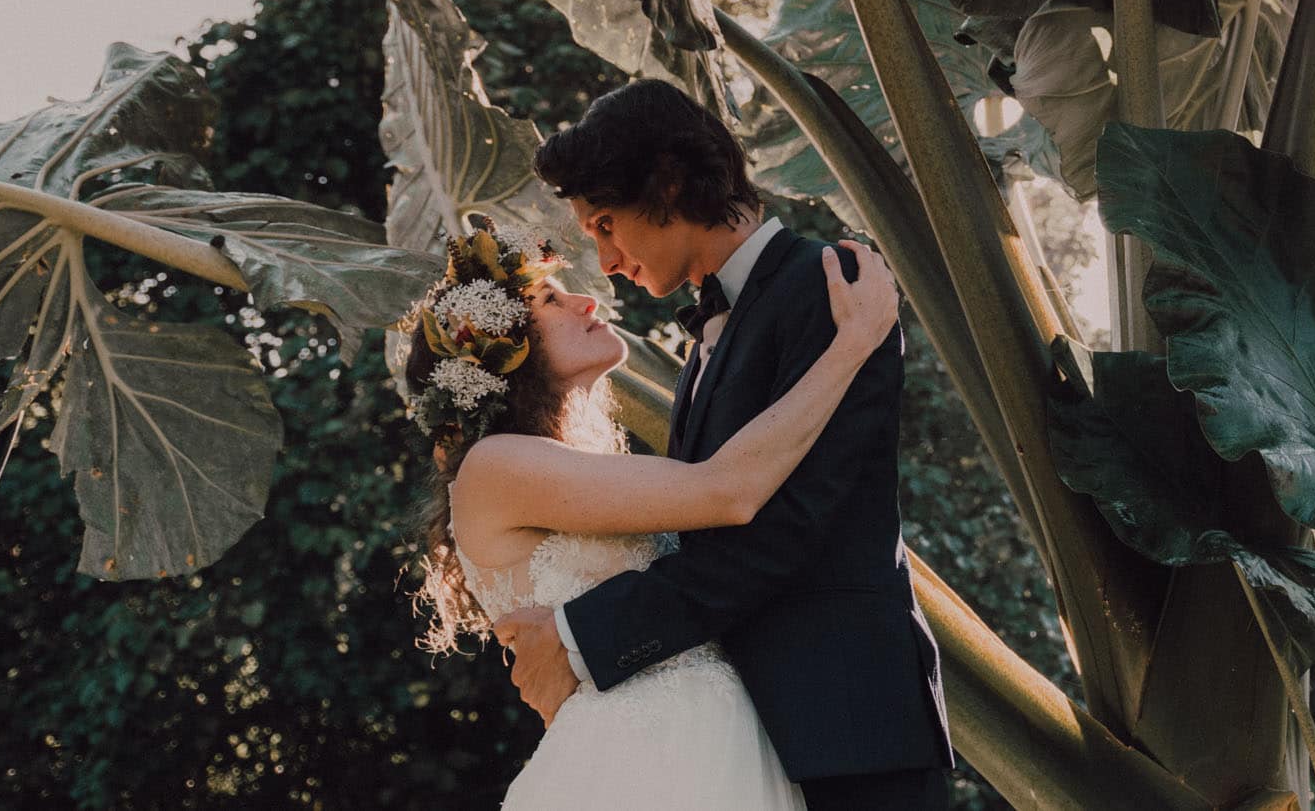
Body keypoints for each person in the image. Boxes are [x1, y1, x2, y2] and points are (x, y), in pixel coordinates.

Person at [494, 79, 956, 811]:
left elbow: (784, 529)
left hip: (849, 726)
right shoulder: (711, 328)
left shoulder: (827, 287)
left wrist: (582, 637)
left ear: (670, 184)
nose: (607, 260)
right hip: (759, 739)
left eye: (607, 224)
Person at [407, 210, 905, 811]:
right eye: (550, 300)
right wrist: (851, 346)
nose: (586, 303)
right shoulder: (494, 466)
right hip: (643, 762)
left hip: (721, 741)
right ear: (501, 349)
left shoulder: (574, 461)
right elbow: (729, 491)